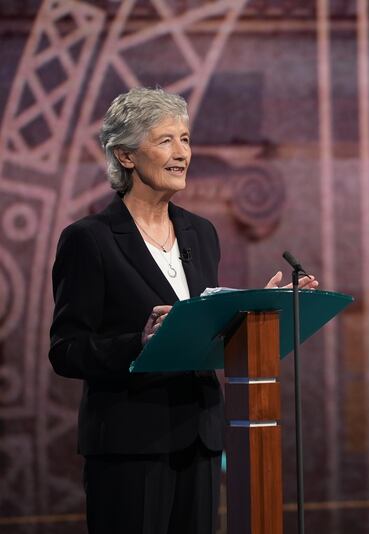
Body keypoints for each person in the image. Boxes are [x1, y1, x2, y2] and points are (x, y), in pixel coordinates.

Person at [48, 87, 317, 534]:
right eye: (166, 140)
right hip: (129, 445)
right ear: (126, 156)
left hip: (200, 438)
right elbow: (66, 349)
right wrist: (140, 343)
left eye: (186, 139)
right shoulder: (89, 239)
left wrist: (254, 309)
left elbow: (203, 328)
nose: (182, 153)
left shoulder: (201, 233)